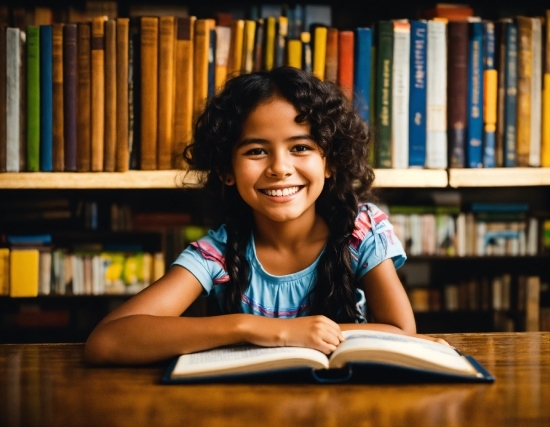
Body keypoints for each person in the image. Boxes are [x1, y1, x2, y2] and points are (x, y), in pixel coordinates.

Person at [85, 66, 446, 365]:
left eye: (300, 147)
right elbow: (107, 341)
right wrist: (256, 328)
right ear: (227, 170)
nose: (279, 168)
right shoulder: (218, 253)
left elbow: (402, 332)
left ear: (330, 161)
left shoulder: (360, 232)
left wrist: (308, 332)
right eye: (257, 151)